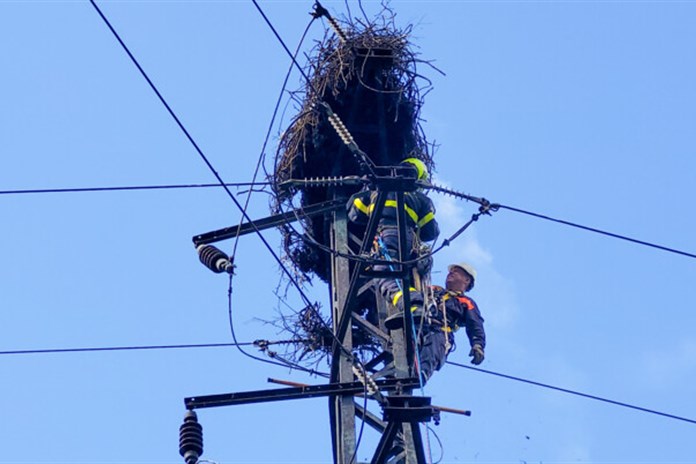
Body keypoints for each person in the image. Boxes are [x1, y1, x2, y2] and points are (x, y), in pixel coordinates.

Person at [347, 158, 439, 320]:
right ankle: (415, 304)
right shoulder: (420, 199)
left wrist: (366, 186)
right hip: (408, 242)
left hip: (386, 236)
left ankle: (413, 304)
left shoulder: (376, 190)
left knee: (384, 275)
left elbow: (354, 215)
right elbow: (430, 232)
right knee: (397, 274)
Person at [416, 262, 486, 383]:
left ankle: (422, 374)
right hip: (419, 327)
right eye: (450, 271)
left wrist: (478, 345)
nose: (451, 273)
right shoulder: (433, 290)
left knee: (435, 345)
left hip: (440, 332)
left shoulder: (465, 302)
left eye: (456, 271)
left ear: (467, 279)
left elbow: (475, 324)